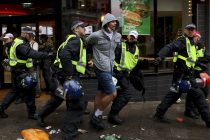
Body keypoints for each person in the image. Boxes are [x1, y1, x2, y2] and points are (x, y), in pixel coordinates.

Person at [35, 20, 88, 139]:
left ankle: (40, 115)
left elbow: (70, 58)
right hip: (68, 76)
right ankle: (69, 132)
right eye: (82, 27)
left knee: (58, 99)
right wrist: (70, 76)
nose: (85, 29)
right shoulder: (76, 40)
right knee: (78, 104)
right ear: (75, 29)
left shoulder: (69, 40)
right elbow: (64, 56)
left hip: (61, 75)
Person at [152, 23, 210, 128]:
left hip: (186, 75)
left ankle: (159, 113)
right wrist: (160, 57)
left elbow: (189, 59)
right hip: (183, 76)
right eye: (189, 29)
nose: (190, 31)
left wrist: (199, 64)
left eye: (192, 29)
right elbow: (169, 47)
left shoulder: (192, 44)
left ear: (195, 31)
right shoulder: (182, 41)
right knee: (199, 96)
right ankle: (208, 120)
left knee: (173, 95)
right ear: (185, 30)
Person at [0, 27, 49, 119]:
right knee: (30, 93)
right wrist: (47, 55)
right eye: (30, 35)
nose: (31, 37)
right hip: (21, 72)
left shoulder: (15, 42)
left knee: (13, 92)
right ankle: (32, 114)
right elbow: (31, 53)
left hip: (17, 72)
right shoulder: (20, 44)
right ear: (25, 34)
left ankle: (1, 109)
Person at [86, 13, 121, 130]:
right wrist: (91, 58)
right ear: (106, 23)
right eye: (112, 21)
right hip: (100, 67)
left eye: (116, 22)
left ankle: (96, 114)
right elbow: (87, 45)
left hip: (110, 67)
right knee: (112, 93)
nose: (115, 23)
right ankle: (96, 116)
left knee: (100, 92)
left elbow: (117, 50)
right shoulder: (95, 36)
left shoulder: (117, 36)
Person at [108, 30, 144, 125]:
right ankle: (112, 114)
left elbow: (133, 63)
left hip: (127, 75)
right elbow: (111, 59)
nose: (132, 38)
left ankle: (111, 115)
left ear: (136, 38)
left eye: (134, 36)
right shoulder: (121, 46)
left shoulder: (136, 49)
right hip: (117, 74)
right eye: (130, 36)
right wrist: (117, 70)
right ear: (127, 37)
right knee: (126, 94)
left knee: (119, 94)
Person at [184, 31, 210, 119]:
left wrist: (198, 60)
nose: (197, 39)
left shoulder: (201, 46)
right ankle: (189, 110)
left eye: (199, 38)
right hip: (192, 72)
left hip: (201, 72)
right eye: (196, 37)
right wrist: (198, 62)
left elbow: (207, 57)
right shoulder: (189, 46)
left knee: (204, 90)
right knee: (192, 92)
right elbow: (189, 59)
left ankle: (196, 108)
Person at [28, 32, 41, 98]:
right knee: (30, 77)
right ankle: (31, 92)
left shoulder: (35, 43)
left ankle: (37, 92)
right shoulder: (27, 43)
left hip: (34, 63)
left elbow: (34, 52)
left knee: (35, 77)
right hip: (28, 63)